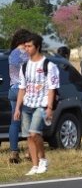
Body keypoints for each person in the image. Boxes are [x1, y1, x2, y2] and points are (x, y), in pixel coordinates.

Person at [13, 33, 60, 175]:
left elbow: (52, 88)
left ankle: (43, 159)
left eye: (29, 46)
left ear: (37, 46)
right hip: (28, 104)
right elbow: (22, 88)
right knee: (28, 136)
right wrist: (17, 108)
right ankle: (35, 165)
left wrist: (50, 107)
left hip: (42, 104)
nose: (26, 49)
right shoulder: (25, 66)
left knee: (35, 133)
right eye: (25, 46)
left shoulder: (49, 65)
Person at [7, 28, 31, 164]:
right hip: (24, 90)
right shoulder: (26, 54)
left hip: (12, 90)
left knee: (14, 122)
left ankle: (14, 151)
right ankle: (29, 151)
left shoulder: (12, 54)